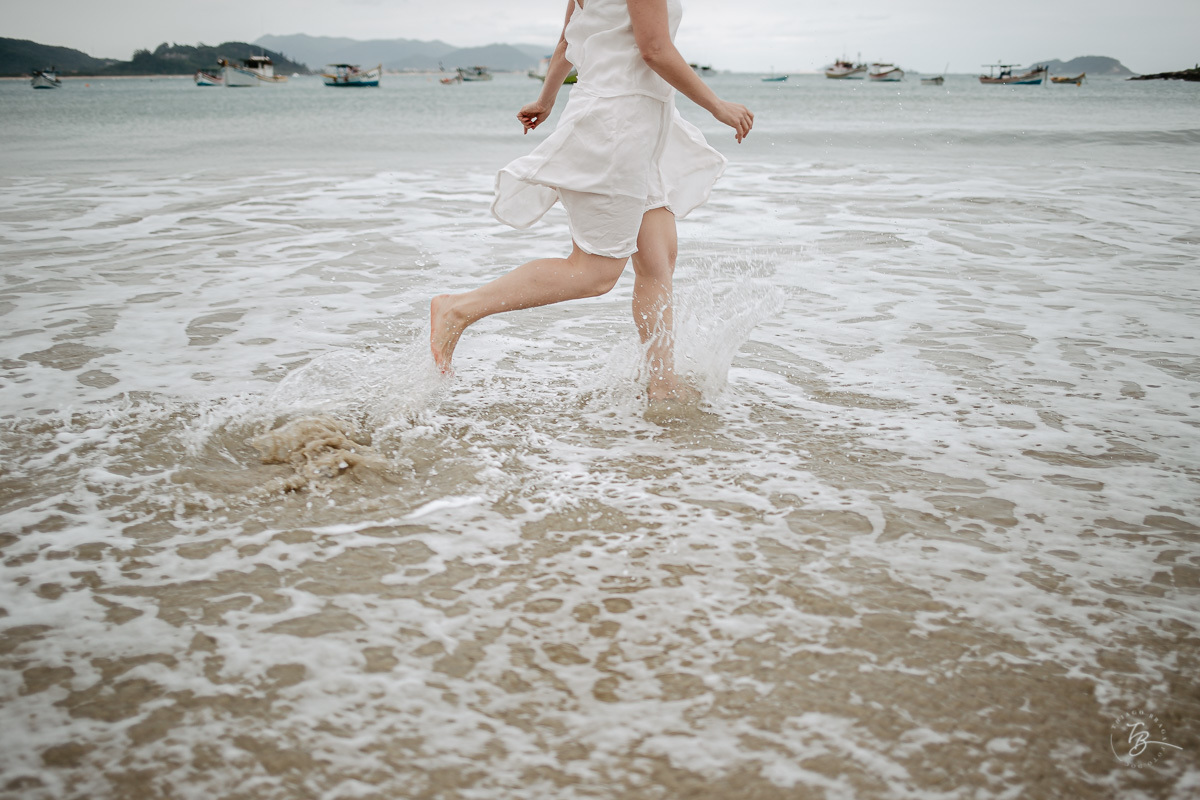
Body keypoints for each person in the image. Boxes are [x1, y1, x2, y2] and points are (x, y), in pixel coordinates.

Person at [430, 0, 753, 400]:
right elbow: (654, 48)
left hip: (635, 123)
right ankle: (457, 309)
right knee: (594, 272)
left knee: (657, 257)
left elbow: (570, 35)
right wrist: (717, 106)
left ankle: (662, 384)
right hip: (618, 127)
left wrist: (547, 98)